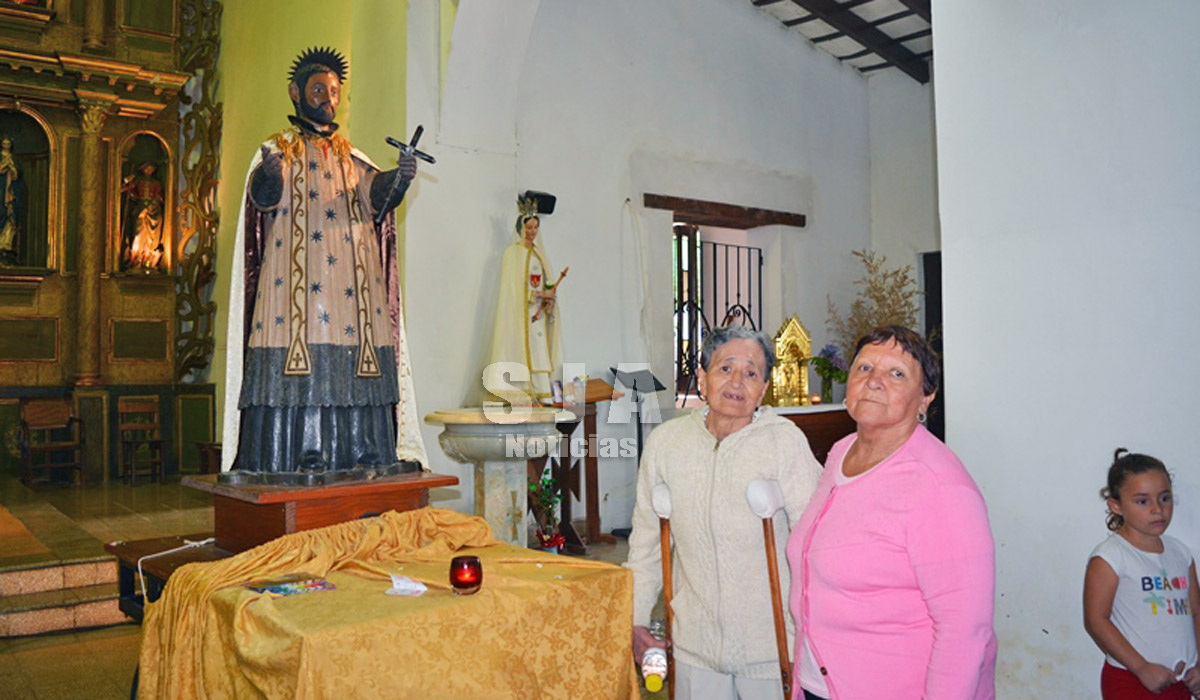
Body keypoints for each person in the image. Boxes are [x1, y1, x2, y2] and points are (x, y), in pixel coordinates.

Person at [221, 46, 428, 475]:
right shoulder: (277, 150)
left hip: (354, 299)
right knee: (299, 369)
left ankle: (368, 453)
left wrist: (401, 177)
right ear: (296, 92)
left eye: (335, 91)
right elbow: (261, 199)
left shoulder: (355, 159)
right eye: (319, 89)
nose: (328, 98)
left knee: (360, 371)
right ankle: (296, 456)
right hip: (291, 295)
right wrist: (270, 173)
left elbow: (379, 199)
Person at [785, 325, 996, 700]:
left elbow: (964, 631)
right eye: (864, 368)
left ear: (925, 398)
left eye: (896, 373)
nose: (874, 382)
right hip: (820, 683)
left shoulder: (940, 487)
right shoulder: (841, 452)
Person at [626, 325, 823, 700]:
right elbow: (646, 547)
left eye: (751, 373)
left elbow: (814, 549)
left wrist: (809, 640)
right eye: (725, 368)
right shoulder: (666, 445)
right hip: (693, 647)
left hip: (773, 650)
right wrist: (635, 621)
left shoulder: (784, 442)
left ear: (764, 389)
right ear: (702, 377)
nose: (737, 382)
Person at [1083, 449, 1199, 699]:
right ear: (1116, 505)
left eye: (1165, 498)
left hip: (1181, 680)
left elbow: (1197, 613)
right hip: (1131, 678)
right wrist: (1141, 667)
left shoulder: (1182, 554)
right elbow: (1096, 620)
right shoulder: (1110, 557)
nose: (1158, 509)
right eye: (1143, 501)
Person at [483, 196, 566, 404]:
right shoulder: (513, 254)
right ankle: (520, 391)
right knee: (527, 349)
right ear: (521, 228)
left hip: (537, 315)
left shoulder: (539, 255)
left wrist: (549, 300)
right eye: (529, 227)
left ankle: (542, 392)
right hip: (522, 316)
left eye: (536, 227)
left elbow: (544, 282)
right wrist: (536, 295)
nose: (533, 232)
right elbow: (512, 290)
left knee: (540, 351)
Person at [120, 162, 165, 270]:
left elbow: (160, 198)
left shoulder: (156, 183)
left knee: (151, 235)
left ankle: (148, 258)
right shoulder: (137, 182)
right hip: (140, 210)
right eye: (147, 169)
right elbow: (122, 189)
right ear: (143, 170)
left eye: (151, 169)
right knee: (138, 233)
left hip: (152, 210)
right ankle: (136, 258)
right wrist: (127, 181)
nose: (149, 171)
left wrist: (151, 206)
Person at [0, 136, 24, 264]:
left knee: (11, 218)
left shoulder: (14, 158)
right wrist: (4, 165)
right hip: (1, 190)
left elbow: (17, 176)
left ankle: (7, 245)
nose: (6, 145)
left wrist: (12, 168)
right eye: (4, 143)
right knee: (2, 214)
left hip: (11, 192)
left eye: (8, 143)